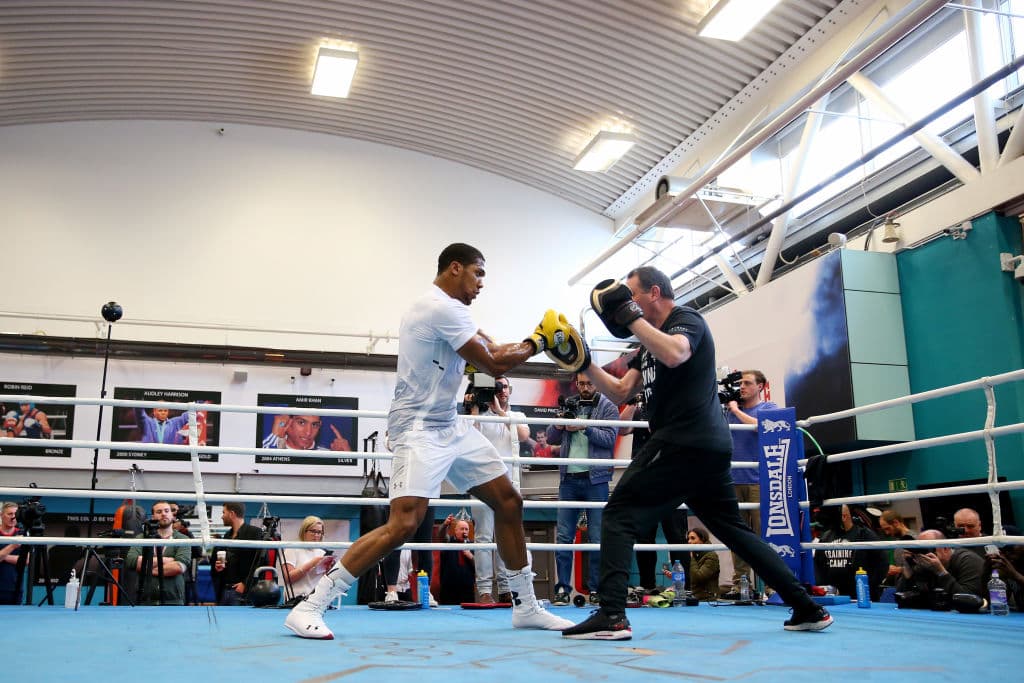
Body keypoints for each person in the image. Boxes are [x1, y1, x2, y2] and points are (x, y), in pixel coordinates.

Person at [284, 242, 576, 639]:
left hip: (449, 424)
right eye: (478, 273)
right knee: (403, 524)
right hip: (418, 427)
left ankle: (525, 607)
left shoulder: (452, 313)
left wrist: (524, 344)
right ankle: (309, 606)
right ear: (455, 268)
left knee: (509, 501)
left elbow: (489, 349)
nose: (481, 284)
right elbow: (494, 362)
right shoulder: (438, 307)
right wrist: (540, 342)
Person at [562, 265, 832, 640]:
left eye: (631, 294)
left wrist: (631, 317)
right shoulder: (647, 346)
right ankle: (806, 607)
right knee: (734, 531)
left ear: (654, 293)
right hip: (700, 449)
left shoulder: (687, 320)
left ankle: (611, 615)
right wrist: (584, 362)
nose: (626, 303)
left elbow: (676, 354)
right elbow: (622, 391)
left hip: (683, 441)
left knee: (619, 515)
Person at [546, 373, 619, 606]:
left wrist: (584, 427)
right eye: (581, 384)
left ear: (597, 383)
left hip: (595, 479)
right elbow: (550, 438)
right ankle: (562, 590)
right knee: (564, 536)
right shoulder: (570, 403)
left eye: (589, 383)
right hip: (569, 479)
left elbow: (609, 439)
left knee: (597, 537)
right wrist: (559, 424)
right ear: (576, 384)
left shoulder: (608, 407)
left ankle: (597, 589)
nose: (585, 387)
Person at [467, 375, 530, 603]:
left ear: (510, 390)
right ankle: (484, 590)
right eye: (497, 387)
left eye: (504, 387)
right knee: (483, 537)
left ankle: (506, 589)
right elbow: (468, 435)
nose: (501, 390)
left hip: (508, 483)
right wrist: (474, 407)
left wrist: (500, 413)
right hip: (481, 480)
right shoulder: (480, 416)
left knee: (506, 535)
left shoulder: (515, 416)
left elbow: (524, 435)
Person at [619, 394, 688, 593]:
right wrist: (631, 402)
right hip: (643, 478)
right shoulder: (640, 410)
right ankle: (647, 585)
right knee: (644, 536)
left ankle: (682, 586)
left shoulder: (677, 405)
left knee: (676, 535)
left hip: (672, 478)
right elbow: (622, 428)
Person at [722, 370, 777, 598]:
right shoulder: (728, 412)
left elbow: (760, 426)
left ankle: (773, 584)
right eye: (740, 383)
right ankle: (741, 584)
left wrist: (735, 410)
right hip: (734, 479)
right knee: (738, 536)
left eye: (747, 383)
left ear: (760, 386)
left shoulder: (768, 408)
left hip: (758, 480)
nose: (742, 387)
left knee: (765, 534)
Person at [813, 504, 888, 600]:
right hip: (835, 596)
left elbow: (882, 561)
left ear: (844, 517)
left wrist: (870, 585)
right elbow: (818, 564)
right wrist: (824, 587)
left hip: (861, 594)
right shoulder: (826, 537)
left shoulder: (864, 535)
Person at [894, 528, 986, 606]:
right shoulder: (923, 563)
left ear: (945, 548)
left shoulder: (967, 560)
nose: (924, 554)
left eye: (929, 548)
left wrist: (941, 572)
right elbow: (901, 599)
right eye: (921, 549)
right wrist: (908, 571)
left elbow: (971, 600)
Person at [125, 501, 192, 605]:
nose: (163, 514)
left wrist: (145, 568)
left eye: (166, 511)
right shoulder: (141, 538)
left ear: (172, 516)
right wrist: (169, 560)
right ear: (153, 517)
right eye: (159, 511)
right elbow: (132, 561)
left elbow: (179, 567)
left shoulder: (183, 539)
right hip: (145, 600)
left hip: (173, 601)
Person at [211, 502, 264, 605]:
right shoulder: (227, 535)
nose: (222, 516)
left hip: (242, 592)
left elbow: (261, 562)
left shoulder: (255, 533)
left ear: (232, 514)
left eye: (223, 512)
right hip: (225, 589)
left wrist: (246, 584)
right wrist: (219, 568)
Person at [279, 516, 336, 599]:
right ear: (304, 532)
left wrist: (329, 570)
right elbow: (288, 578)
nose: (316, 535)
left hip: (316, 600)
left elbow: (324, 581)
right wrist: (312, 563)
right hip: (296, 599)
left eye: (319, 532)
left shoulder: (322, 552)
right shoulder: (292, 549)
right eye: (313, 531)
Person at [262, 414, 350, 452]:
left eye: (315, 425)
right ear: (288, 422)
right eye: (301, 422)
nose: (308, 433)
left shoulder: (327, 454)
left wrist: (346, 458)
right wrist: (275, 436)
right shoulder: (265, 448)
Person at [438, 517, 476, 605]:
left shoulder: (473, 546)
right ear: (455, 530)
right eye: (462, 529)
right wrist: (445, 525)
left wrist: (471, 557)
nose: (464, 531)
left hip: (467, 590)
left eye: (466, 529)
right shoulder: (448, 542)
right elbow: (441, 535)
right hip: (448, 589)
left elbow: (479, 568)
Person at [878, 509, 915, 585]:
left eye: (888, 528)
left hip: (914, 589)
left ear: (896, 522)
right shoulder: (898, 541)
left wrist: (899, 570)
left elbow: (923, 568)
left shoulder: (913, 539)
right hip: (901, 587)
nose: (887, 532)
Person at [0, 502, 25, 605]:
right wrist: (13, 546)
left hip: (15, 588)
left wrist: (2, 556)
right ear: (1, 515)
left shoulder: (22, 534)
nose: (13, 517)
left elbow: (26, 560)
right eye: (9, 514)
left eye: (15, 514)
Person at [684, 527, 720, 601]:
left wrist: (692, 558)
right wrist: (678, 577)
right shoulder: (696, 555)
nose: (689, 541)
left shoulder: (712, 556)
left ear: (702, 540)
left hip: (707, 600)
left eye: (693, 538)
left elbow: (698, 578)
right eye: (688, 539)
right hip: (696, 598)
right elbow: (692, 578)